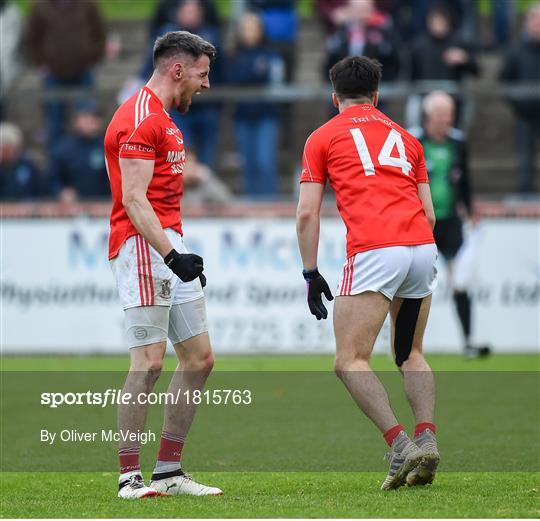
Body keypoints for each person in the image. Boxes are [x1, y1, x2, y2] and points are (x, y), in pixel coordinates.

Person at [296, 56, 440, 490]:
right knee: (409, 353)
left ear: (333, 96)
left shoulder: (322, 137)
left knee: (348, 360)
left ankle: (401, 446)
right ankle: (426, 435)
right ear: (378, 95)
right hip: (421, 246)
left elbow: (307, 214)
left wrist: (310, 271)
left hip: (377, 249)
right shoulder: (407, 138)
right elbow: (429, 213)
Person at [104, 30, 222, 500]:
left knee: (199, 359)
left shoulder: (166, 120)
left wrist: (176, 248)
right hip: (141, 246)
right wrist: (171, 255)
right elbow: (133, 199)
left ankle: (168, 471)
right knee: (149, 362)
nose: (206, 84)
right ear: (178, 69)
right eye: (202, 73)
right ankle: (129, 478)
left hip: (167, 242)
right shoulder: (140, 117)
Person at [410, 91, 491, 360]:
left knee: (460, 281)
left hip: (451, 222)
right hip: (421, 223)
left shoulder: (458, 142)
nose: (447, 120)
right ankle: (405, 343)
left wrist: (471, 210)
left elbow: (464, 179)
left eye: (450, 115)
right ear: (429, 116)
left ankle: (468, 341)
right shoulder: (413, 141)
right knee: (411, 284)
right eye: (442, 115)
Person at [25, 0, 106, 148]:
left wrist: (93, 58)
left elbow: (100, 32)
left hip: (83, 71)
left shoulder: (88, 4)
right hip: (53, 73)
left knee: (88, 118)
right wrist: (40, 64)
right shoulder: (41, 6)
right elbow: (32, 37)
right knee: (54, 121)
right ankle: (56, 163)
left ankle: (89, 162)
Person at [228, 11, 282, 199]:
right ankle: (251, 205)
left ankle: (271, 204)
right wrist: (254, 75)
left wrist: (248, 77)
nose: (249, 32)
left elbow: (276, 82)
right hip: (242, 116)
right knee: (248, 164)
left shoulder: (271, 55)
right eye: (245, 28)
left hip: (266, 115)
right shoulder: (233, 56)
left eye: (253, 27)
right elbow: (231, 79)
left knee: (265, 162)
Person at [499, 2, 540, 194]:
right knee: (524, 157)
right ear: (528, 22)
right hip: (524, 113)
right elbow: (504, 80)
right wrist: (517, 103)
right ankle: (526, 194)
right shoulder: (516, 50)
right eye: (535, 20)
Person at [49, 100, 109, 202]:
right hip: (72, 209)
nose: (91, 121)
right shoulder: (63, 149)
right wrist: (61, 191)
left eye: (95, 117)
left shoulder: (108, 146)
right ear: (76, 121)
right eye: (86, 117)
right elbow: (52, 179)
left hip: (103, 207)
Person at [0, 122, 43, 200]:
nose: (6, 150)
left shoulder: (28, 165)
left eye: (9, 146)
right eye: (3, 147)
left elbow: (40, 191)